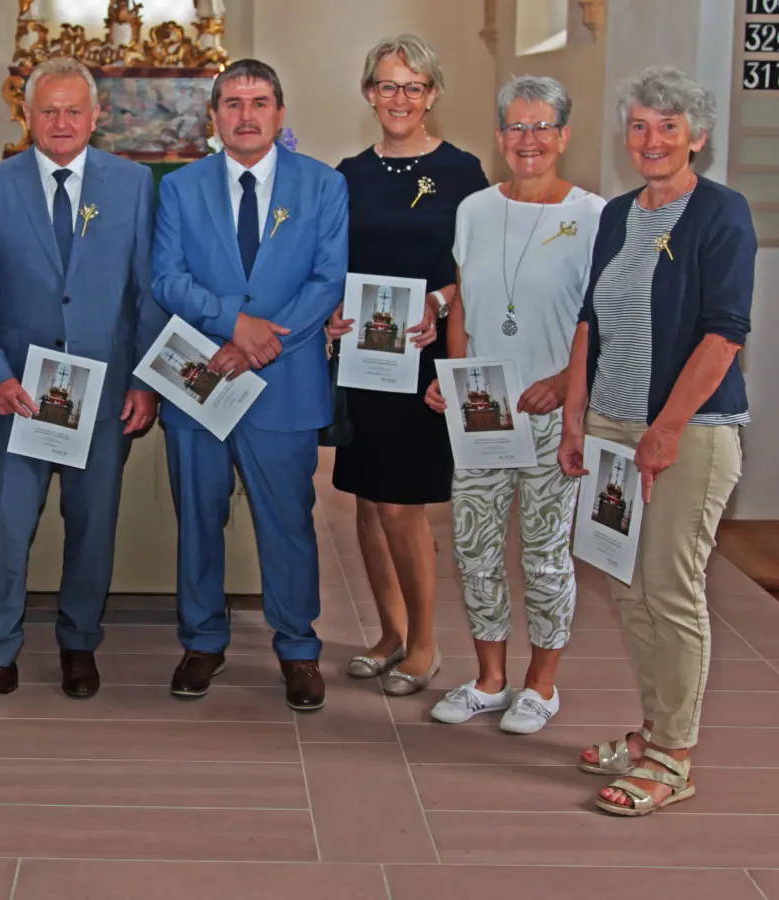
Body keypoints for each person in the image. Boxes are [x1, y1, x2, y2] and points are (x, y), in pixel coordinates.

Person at [561, 66, 753, 816]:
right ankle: (651, 731)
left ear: (697, 137)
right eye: (640, 125)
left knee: (670, 591)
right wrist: (576, 417)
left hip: (688, 435)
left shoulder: (721, 215)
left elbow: (725, 332)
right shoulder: (617, 215)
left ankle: (673, 756)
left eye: (668, 126)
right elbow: (590, 321)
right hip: (611, 428)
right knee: (629, 589)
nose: (652, 139)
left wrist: (666, 431)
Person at [0, 56, 164, 717]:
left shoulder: (133, 185)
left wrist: (144, 381)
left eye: (75, 110)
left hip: (104, 396)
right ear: (27, 116)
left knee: (91, 525)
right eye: (49, 111)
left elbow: (147, 293)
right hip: (21, 397)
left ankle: (78, 642)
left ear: (97, 117)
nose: (62, 123)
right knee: (5, 526)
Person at [151, 59, 347, 710]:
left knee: (287, 521)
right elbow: (168, 279)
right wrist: (235, 324)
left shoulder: (322, 187)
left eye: (259, 101)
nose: (246, 114)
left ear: (280, 113)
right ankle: (202, 640)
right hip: (202, 377)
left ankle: (298, 648)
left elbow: (327, 280)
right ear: (213, 117)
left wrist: (268, 339)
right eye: (232, 103)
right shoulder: (179, 189)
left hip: (284, 380)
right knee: (199, 519)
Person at [424, 76, 606, 734]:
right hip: (483, 411)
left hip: (553, 414)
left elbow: (600, 318)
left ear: (562, 135)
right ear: (500, 137)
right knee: (473, 549)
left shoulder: (592, 215)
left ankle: (542, 684)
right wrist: (453, 373)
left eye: (541, 127)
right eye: (515, 128)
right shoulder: (473, 209)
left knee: (544, 554)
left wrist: (563, 384)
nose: (527, 140)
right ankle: (490, 679)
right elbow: (465, 302)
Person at [326, 34, 488, 696]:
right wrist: (331, 314)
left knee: (401, 505)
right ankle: (389, 632)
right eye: (387, 85)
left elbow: (481, 265)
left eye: (413, 86)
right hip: (364, 359)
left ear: (433, 95)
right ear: (369, 93)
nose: (400, 98)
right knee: (367, 499)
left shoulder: (462, 172)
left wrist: (446, 299)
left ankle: (424, 642)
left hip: (423, 357)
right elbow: (331, 262)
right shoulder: (348, 174)